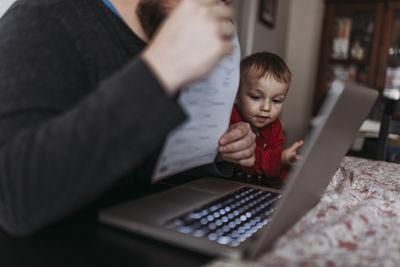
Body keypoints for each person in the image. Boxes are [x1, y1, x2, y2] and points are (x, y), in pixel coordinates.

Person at [0, 0, 256, 236]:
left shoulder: (160, 33)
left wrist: (218, 148)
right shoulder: (43, 16)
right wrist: (158, 71)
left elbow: (137, 160)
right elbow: (15, 197)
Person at [229, 52, 303, 180]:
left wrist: (289, 167)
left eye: (276, 101)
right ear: (236, 96)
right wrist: (279, 161)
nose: (266, 108)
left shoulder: (275, 126)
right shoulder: (232, 122)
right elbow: (244, 162)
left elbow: (275, 166)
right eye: (256, 97)